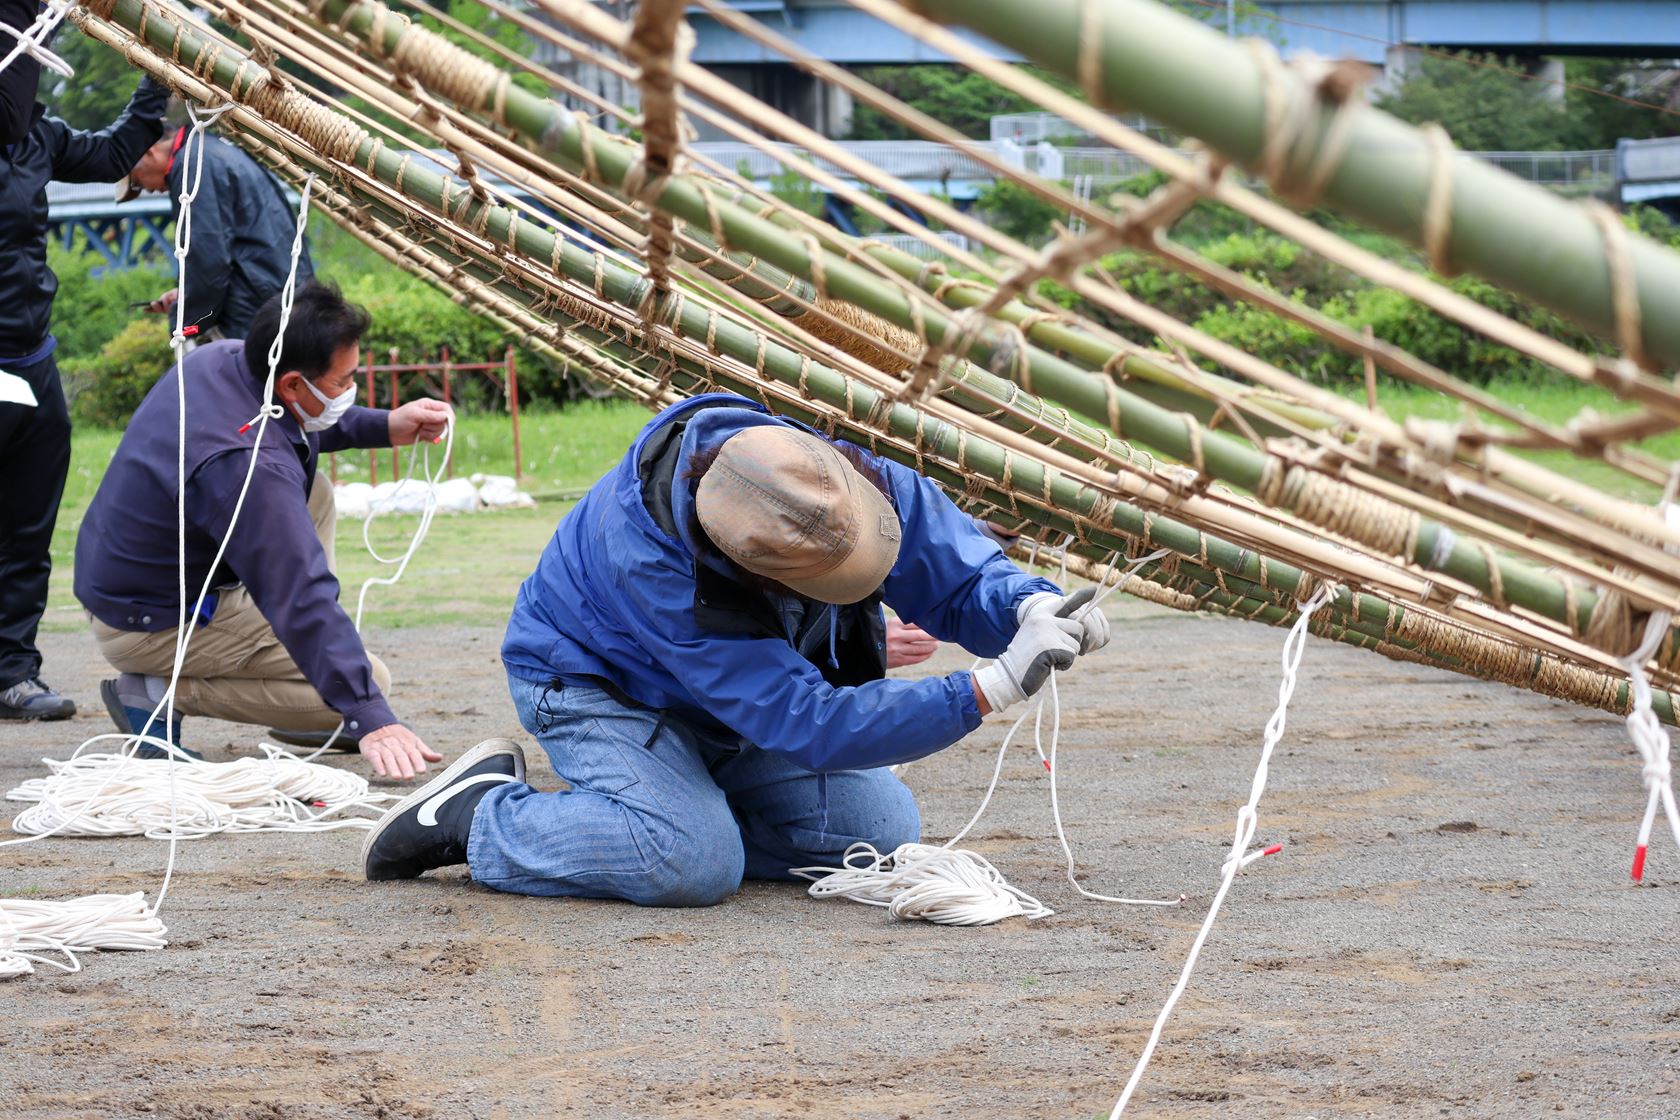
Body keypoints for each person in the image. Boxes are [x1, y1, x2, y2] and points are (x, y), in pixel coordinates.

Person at [361, 393, 1111, 903]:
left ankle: (666, 814)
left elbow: (952, 571)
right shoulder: (660, 569)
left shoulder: (817, 470)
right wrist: (989, 688)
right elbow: (806, 720)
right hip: (596, 686)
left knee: (881, 829)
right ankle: (481, 816)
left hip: (718, 704)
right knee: (689, 862)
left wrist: (1028, 604)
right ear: (749, 571)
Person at [74, 281, 450, 782]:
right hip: (151, 622)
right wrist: (369, 716)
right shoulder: (248, 467)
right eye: (343, 382)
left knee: (315, 491)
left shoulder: (225, 361)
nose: (349, 390)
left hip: (124, 580)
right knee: (370, 680)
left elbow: (300, 420)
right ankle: (157, 690)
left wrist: (383, 425)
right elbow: (298, 591)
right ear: (293, 382)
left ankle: (318, 658)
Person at [0, 74, 168, 722]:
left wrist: (155, 84)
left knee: (26, 531)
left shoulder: (39, 136)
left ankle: (13, 673)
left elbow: (109, 155)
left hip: (32, 360)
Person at [119, 130, 313, 340]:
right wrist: (185, 296)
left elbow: (208, 260)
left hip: (258, 315)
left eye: (137, 182)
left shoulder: (192, 167)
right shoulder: (210, 149)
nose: (148, 190)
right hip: (283, 301)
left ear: (148, 151)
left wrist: (183, 326)